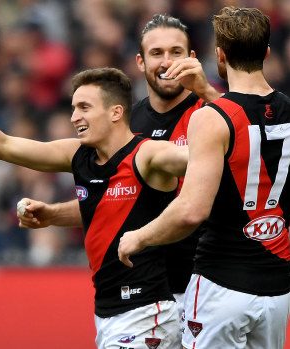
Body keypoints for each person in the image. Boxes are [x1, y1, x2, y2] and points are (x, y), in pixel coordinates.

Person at [0, 44, 188, 348]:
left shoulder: (148, 154)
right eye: (73, 108)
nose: (74, 117)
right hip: (108, 314)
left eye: (84, 107)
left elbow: (204, 158)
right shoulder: (79, 155)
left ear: (116, 112)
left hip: (147, 311)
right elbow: (3, 146)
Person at [17, 14, 221, 315]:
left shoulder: (215, 112)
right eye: (156, 53)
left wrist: (208, 93)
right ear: (140, 62)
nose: (167, 62)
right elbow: (114, 198)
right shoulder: (124, 124)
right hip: (150, 296)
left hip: (210, 284)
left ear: (192, 57)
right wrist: (54, 214)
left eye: (176, 52)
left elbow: (247, 153)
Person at [117, 7, 290, 349]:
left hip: (221, 282)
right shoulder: (288, 110)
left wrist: (138, 237)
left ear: (219, 56)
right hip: (277, 288)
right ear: (267, 53)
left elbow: (191, 211)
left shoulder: (209, 118)